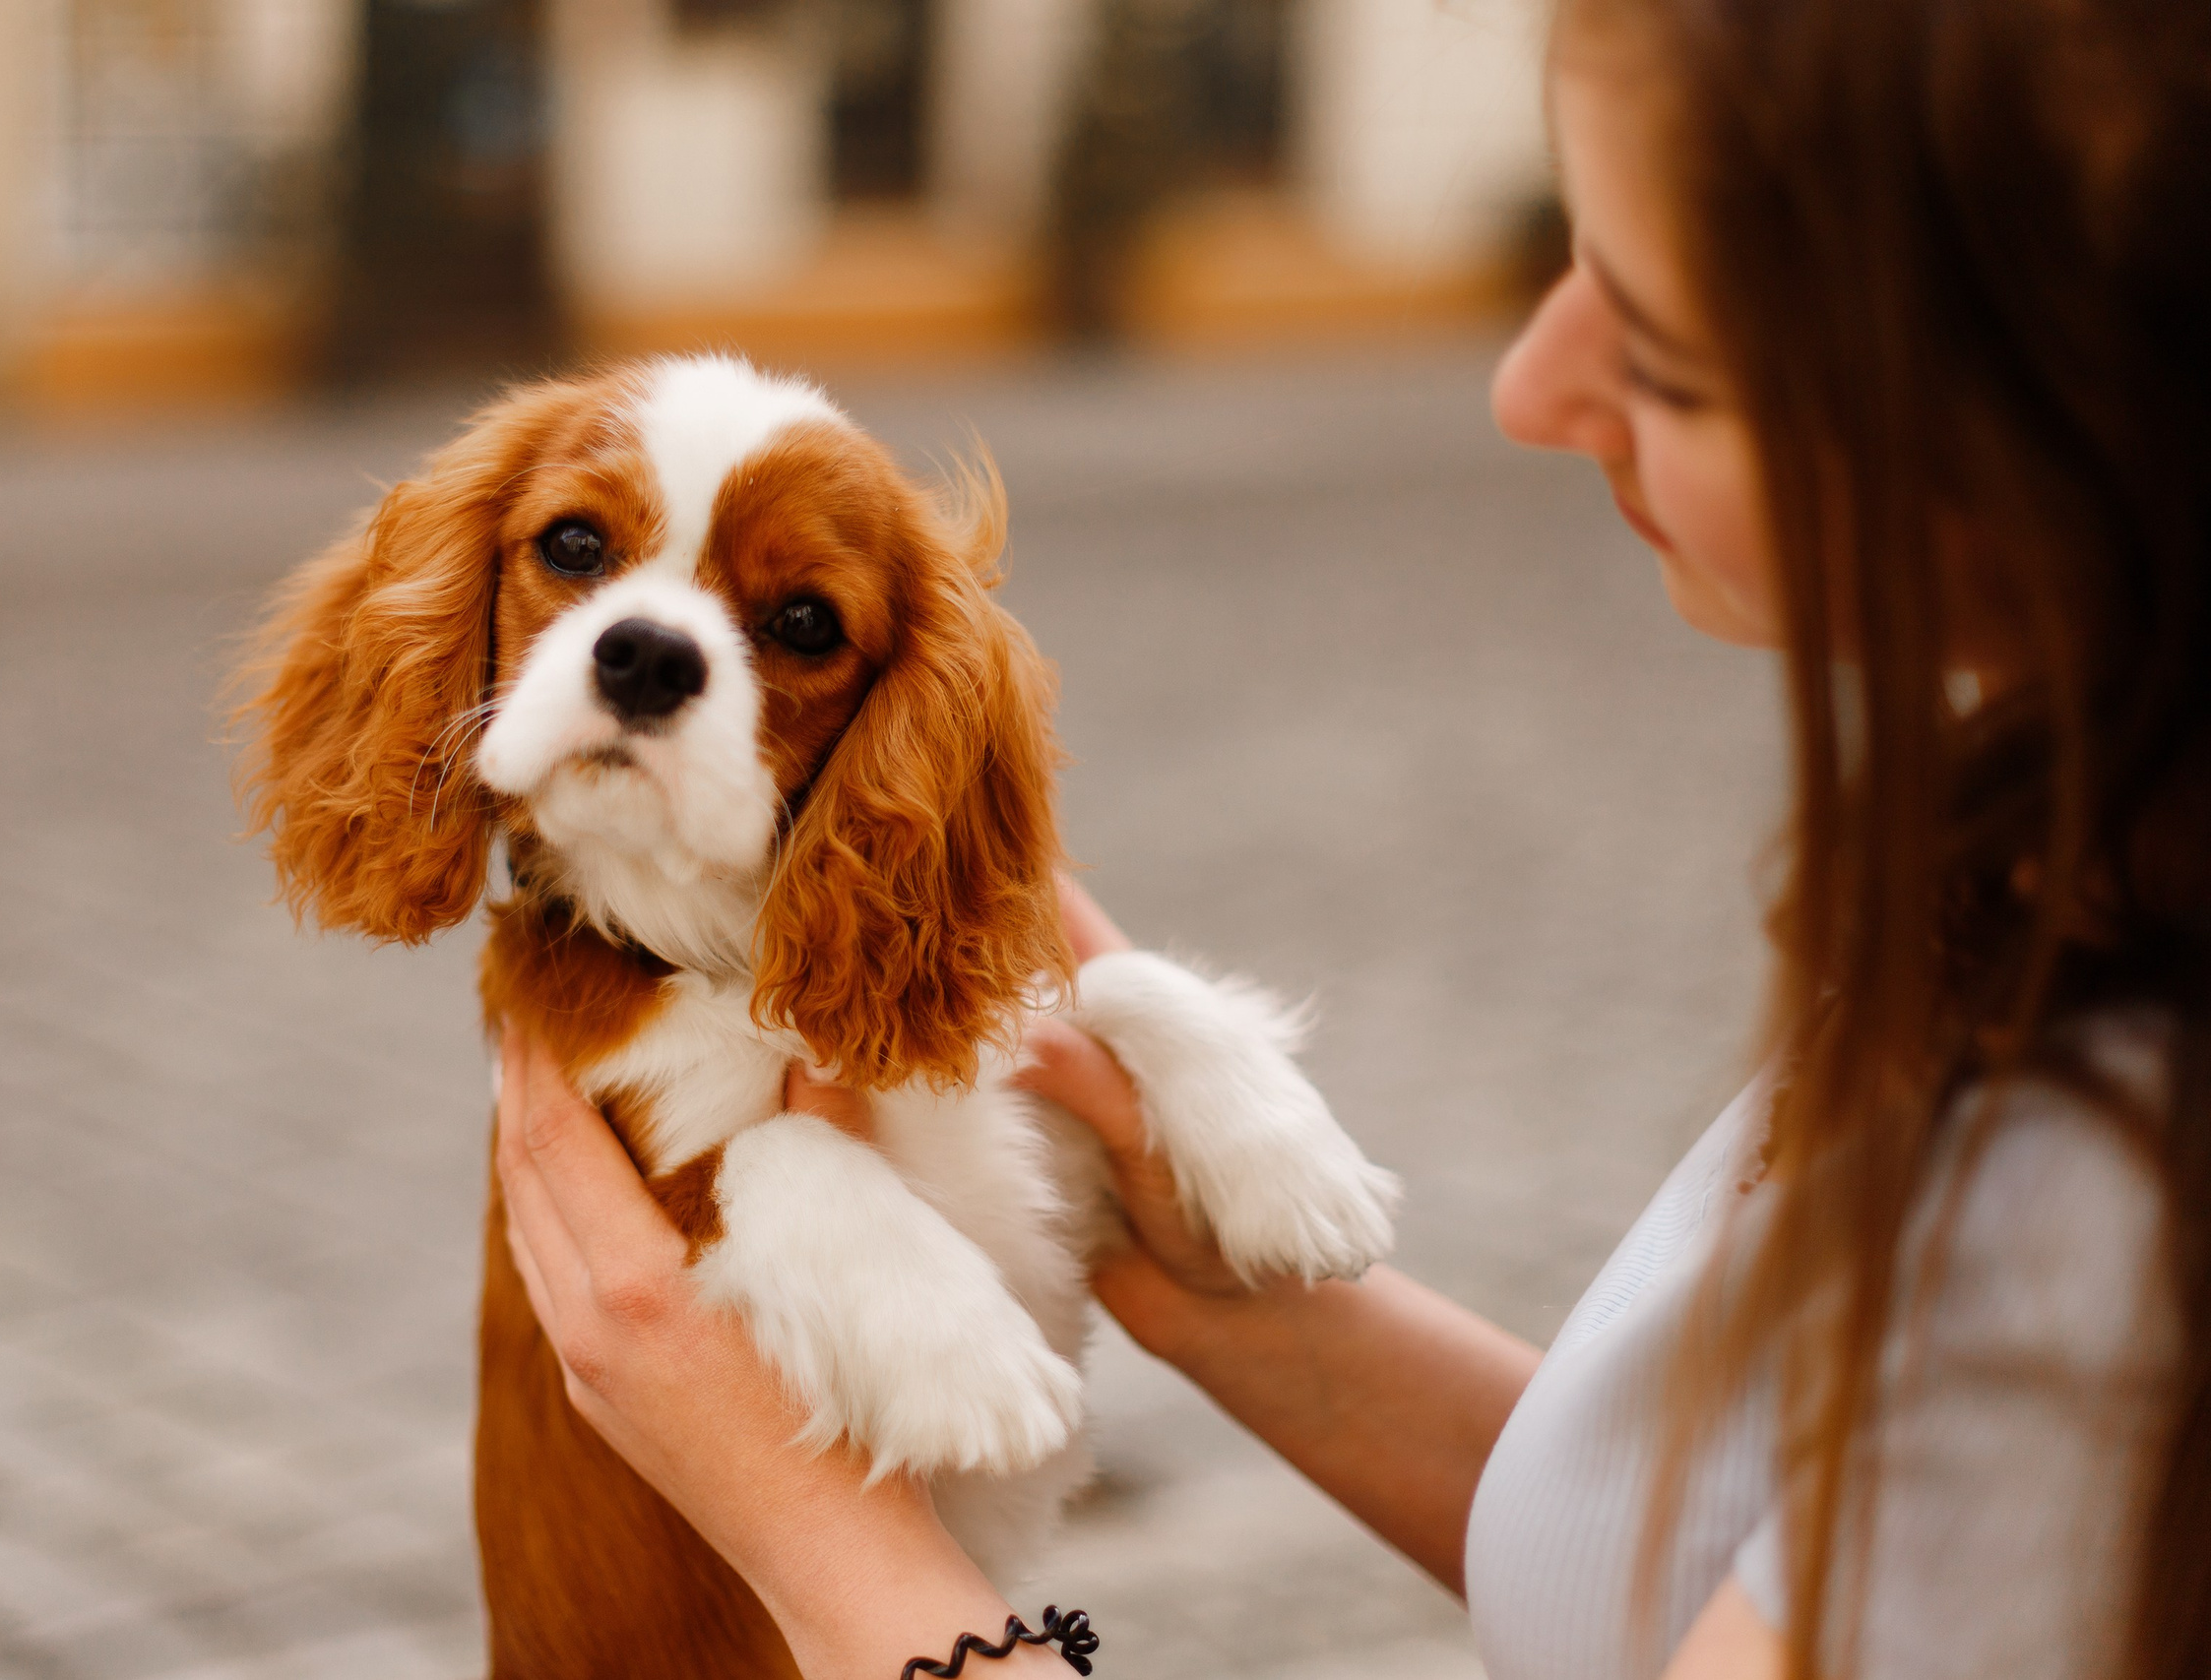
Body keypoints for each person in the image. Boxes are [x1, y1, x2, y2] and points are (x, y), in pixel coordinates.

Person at [488, 0, 2211, 1673]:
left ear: (2041, 422)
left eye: (1663, 346)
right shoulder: (2076, 863)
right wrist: (1225, 1293)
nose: (1527, 387)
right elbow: (1703, 1563)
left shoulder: (2103, 1193)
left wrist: (815, 1539)